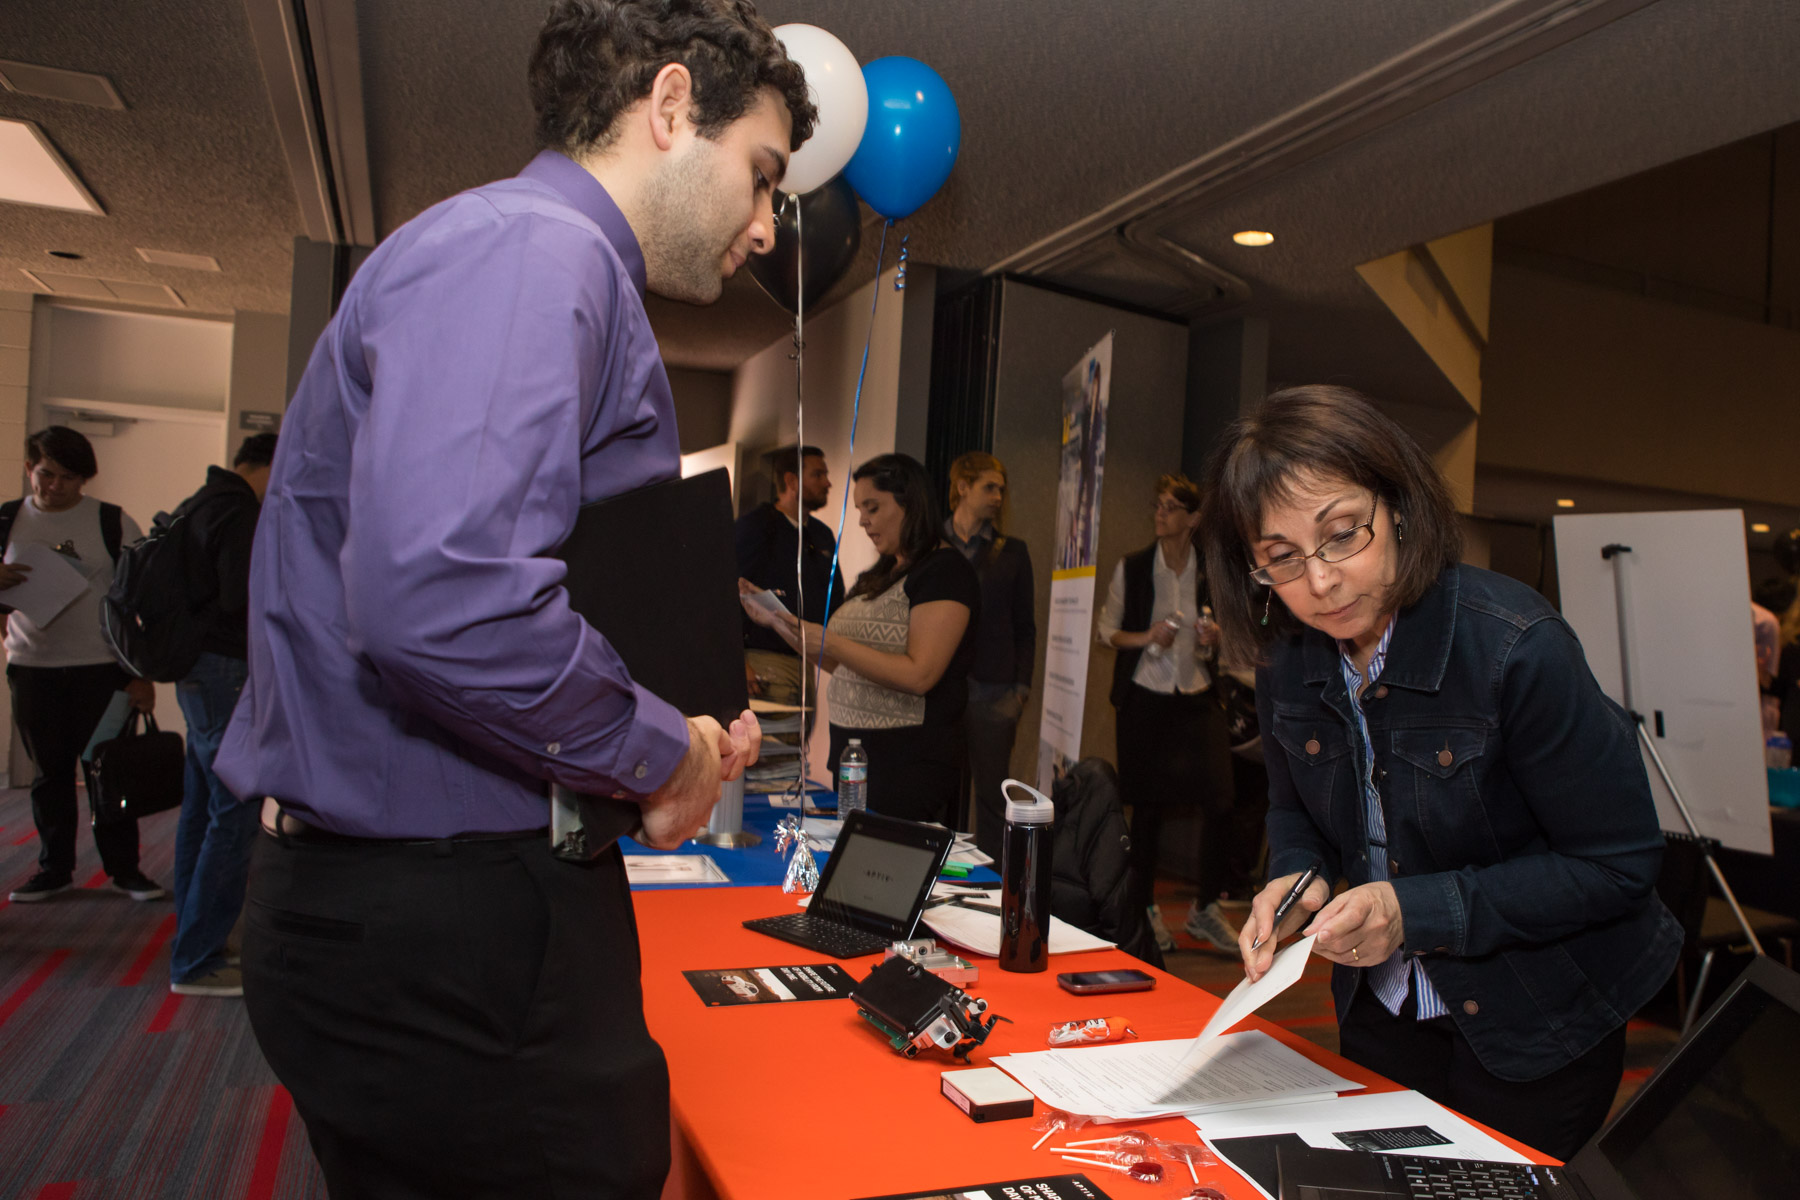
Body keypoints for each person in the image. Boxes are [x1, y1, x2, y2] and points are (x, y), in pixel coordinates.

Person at [212, 2, 796, 1193]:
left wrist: (666, 723)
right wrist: (658, 754)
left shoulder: (537, 261)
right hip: (446, 919)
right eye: (763, 174)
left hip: (435, 903)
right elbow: (447, 599)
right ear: (671, 106)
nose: (767, 226)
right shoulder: (535, 251)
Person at [1205, 386, 1681, 1161]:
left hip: (1536, 1020)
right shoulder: (1285, 659)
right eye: (1281, 558)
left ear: (1397, 506)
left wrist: (1413, 911)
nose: (1319, 582)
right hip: (1382, 1005)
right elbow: (1294, 810)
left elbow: (1618, 864)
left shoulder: (1517, 645)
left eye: (1341, 535)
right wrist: (1297, 877)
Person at [747, 453, 978, 825]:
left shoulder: (945, 571)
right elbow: (839, 663)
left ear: (909, 503)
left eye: (872, 507)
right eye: (859, 509)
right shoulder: (881, 572)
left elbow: (920, 674)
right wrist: (776, 622)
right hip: (855, 759)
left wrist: (832, 641)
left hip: (905, 764)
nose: (862, 520)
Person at [1, 426, 161, 904]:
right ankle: (54, 869)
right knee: (49, 773)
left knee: (107, 771)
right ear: (29, 468)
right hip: (33, 667)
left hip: (102, 668)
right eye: (46, 474)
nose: (55, 486)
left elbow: (143, 602)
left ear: (84, 479)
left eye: (68, 478)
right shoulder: (6, 520)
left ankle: (125, 870)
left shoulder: (112, 522)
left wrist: (141, 675)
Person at [1095, 474, 1236, 953]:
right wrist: (1147, 636)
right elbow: (1107, 631)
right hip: (1144, 695)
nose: (1160, 513)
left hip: (1196, 693)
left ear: (1193, 519)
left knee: (1222, 799)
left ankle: (1205, 909)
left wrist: (1214, 637)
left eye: (1171, 506)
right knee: (1148, 808)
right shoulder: (1134, 567)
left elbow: (1226, 628)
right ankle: (1145, 909)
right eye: (1157, 504)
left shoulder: (1209, 570)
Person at [165, 433, 277, 999]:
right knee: (235, 812)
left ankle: (192, 935)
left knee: (201, 810)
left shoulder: (198, 502)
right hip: (224, 670)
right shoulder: (238, 512)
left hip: (197, 671)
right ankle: (197, 958)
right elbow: (240, 597)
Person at [943, 451, 1036, 856]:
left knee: (993, 801)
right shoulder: (932, 545)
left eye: (1002, 489)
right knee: (938, 791)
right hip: (938, 687)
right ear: (963, 487)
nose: (998, 496)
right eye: (989, 487)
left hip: (996, 692)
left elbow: (1025, 626)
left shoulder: (1013, 551)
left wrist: (1020, 691)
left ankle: (994, 884)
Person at [735, 444, 843, 723]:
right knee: (769, 746)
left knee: (797, 746)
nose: (827, 483)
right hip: (764, 663)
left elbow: (835, 601)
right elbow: (726, 595)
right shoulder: (756, 527)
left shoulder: (821, 535)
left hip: (808, 663)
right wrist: (738, 663)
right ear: (791, 481)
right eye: (817, 475)